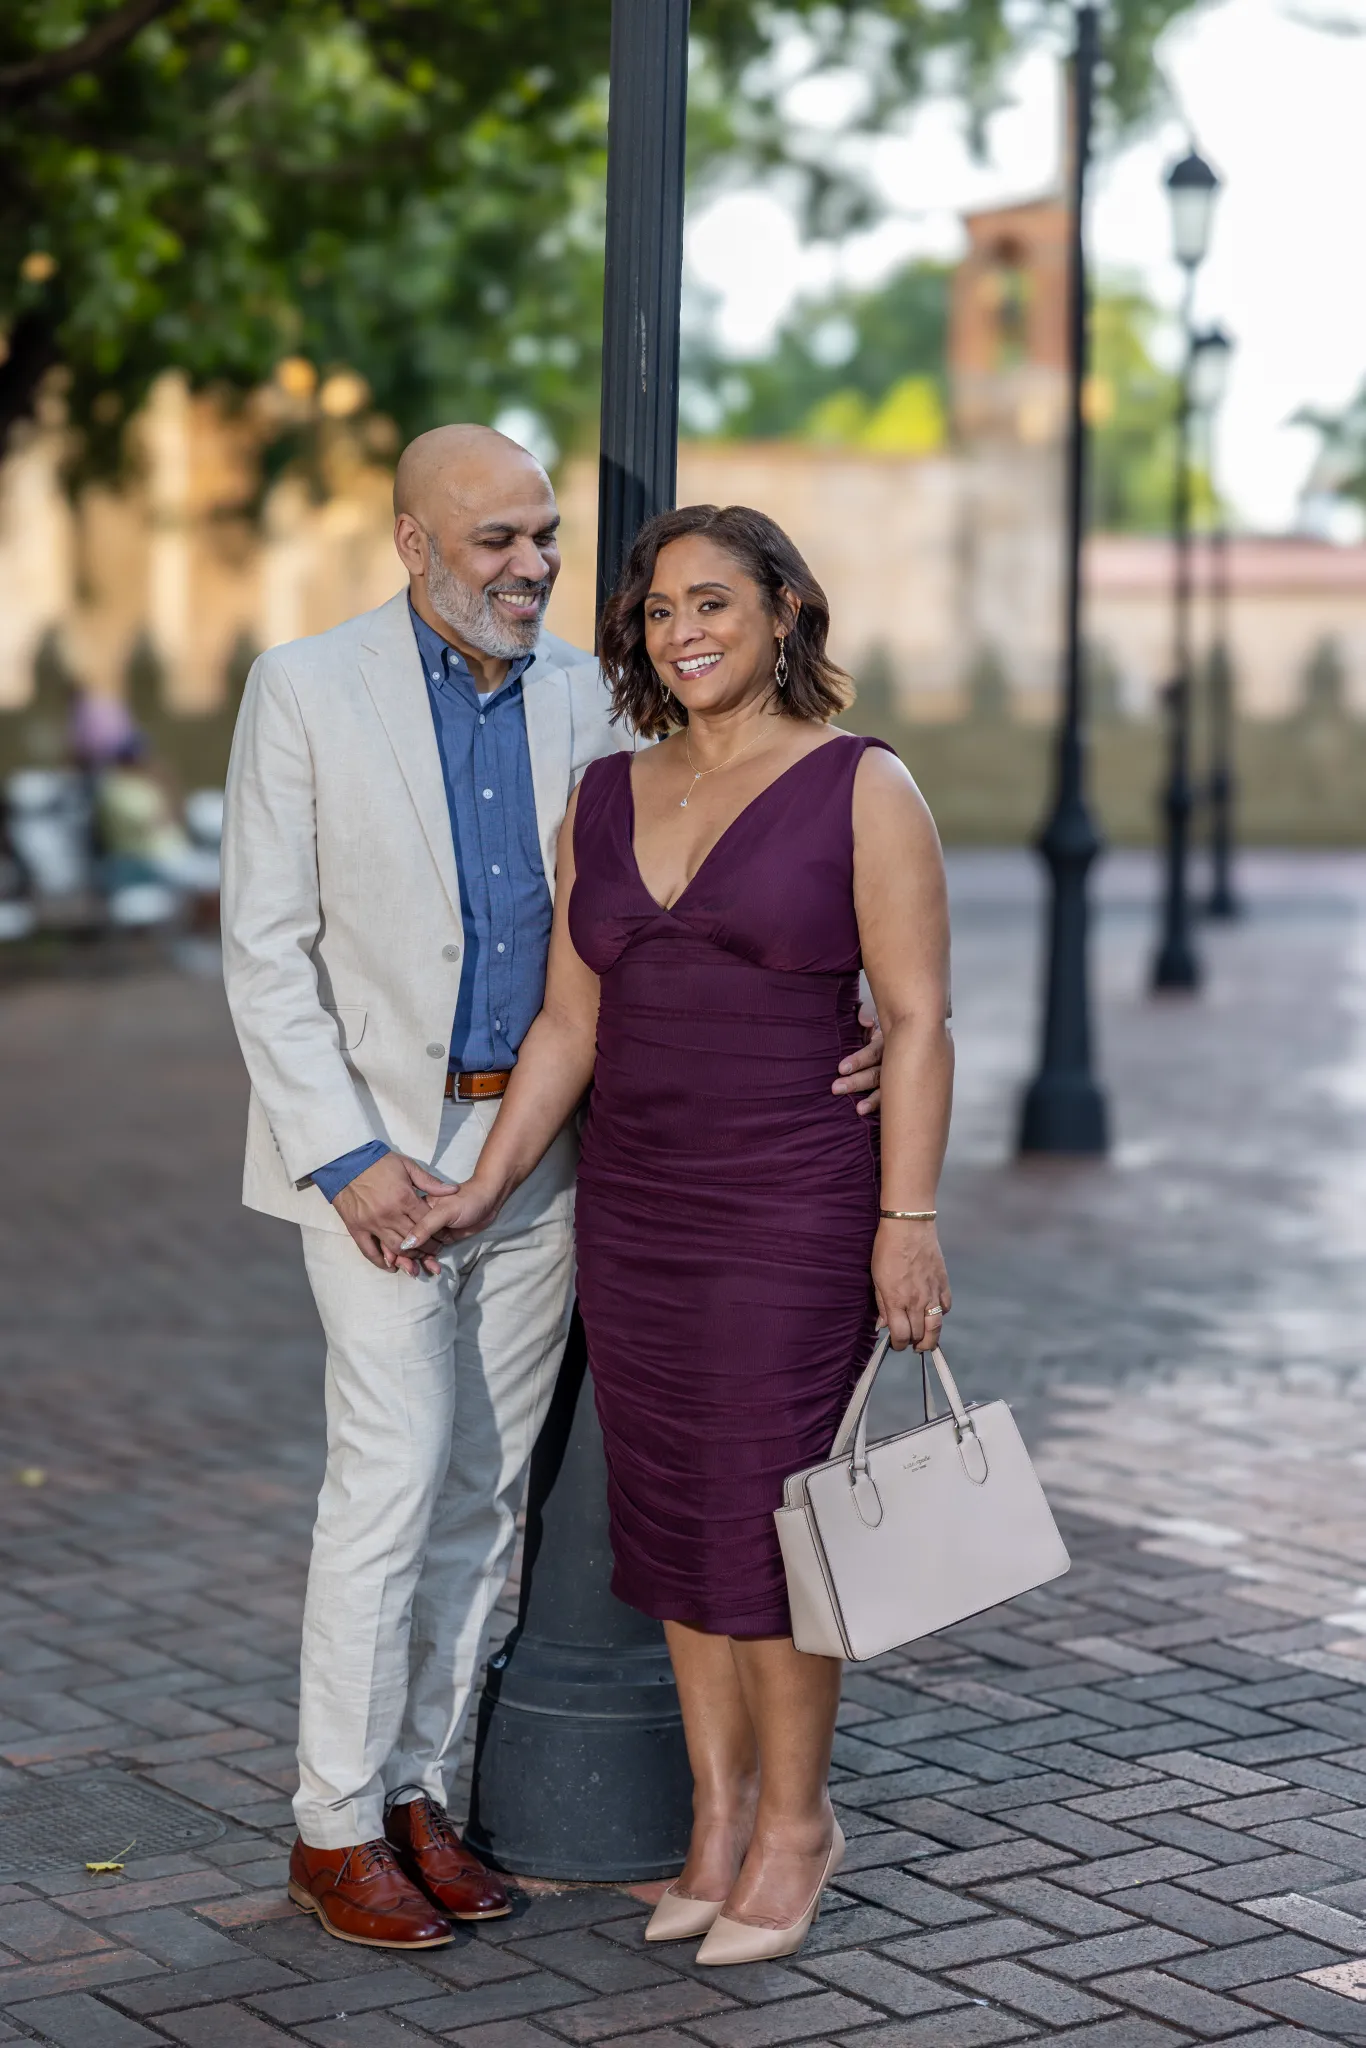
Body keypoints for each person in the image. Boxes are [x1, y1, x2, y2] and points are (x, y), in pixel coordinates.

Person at [220, 435, 885, 1951]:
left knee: (483, 1493)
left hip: (538, 1159)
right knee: (388, 1478)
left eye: (545, 538)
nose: (531, 568)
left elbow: (698, 870)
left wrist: (829, 1024)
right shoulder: (305, 688)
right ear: (411, 541)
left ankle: (415, 1799)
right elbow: (264, 949)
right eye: (496, 542)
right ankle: (333, 1825)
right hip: (371, 1163)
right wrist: (345, 1157)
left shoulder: (595, 696)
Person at [404, 502, 953, 1966]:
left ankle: (797, 1823)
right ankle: (714, 1820)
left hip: (792, 1196)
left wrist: (907, 1218)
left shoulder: (860, 785)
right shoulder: (606, 792)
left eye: (713, 602)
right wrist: (485, 1185)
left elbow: (912, 1020)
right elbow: (569, 1022)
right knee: (670, 1517)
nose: (684, 632)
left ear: (782, 610)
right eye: (657, 611)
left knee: (771, 1524)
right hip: (638, 1205)